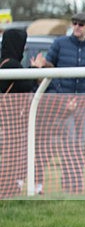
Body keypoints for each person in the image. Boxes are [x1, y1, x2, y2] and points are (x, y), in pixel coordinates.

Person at [40, 11, 85, 193]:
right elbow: (47, 72)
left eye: (81, 24)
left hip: (84, 103)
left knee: (79, 145)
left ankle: (76, 184)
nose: (77, 26)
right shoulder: (60, 44)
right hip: (63, 104)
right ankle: (68, 183)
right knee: (69, 143)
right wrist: (58, 98)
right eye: (74, 23)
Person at [0, 29, 38, 198]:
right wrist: (36, 68)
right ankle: (8, 189)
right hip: (8, 122)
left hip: (7, 121)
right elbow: (26, 84)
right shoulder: (11, 65)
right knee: (10, 157)